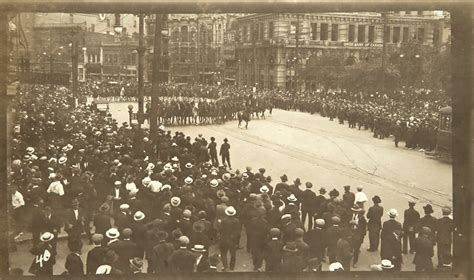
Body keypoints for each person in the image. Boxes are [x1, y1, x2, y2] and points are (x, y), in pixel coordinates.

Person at [218, 206, 241, 271]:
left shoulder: (224, 221)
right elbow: (238, 232)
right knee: (233, 254)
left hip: (224, 239)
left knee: (223, 253)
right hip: (233, 239)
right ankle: (232, 267)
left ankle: (225, 266)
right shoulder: (237, 221)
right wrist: (237, 241)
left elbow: (220, 230)